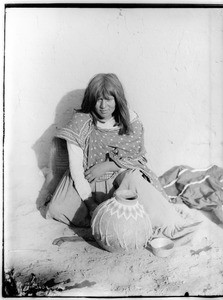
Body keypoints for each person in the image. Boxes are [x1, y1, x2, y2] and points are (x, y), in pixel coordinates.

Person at [46, 73, 200, 239]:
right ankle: (102, 216)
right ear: (91, 100)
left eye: (108, 99)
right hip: (87, 180)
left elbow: (137, 159)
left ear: (117, 99)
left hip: (119, 179)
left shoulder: (129, 120)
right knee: (57, 209)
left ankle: (172, 225)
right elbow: (76, 170)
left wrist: (108, 166)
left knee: (141, 191)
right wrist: (89, 203)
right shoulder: (81, 122)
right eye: (98, 100)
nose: (103, 105)